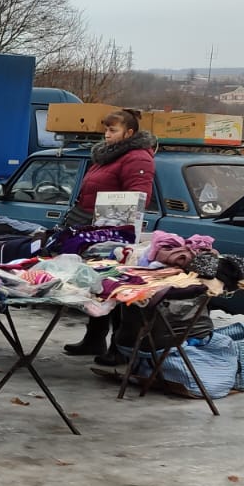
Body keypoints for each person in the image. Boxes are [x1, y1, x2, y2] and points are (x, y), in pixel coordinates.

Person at [63, 109, 158, 363]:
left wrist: (114, 224)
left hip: (116, 233)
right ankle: (94, 338)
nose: (107, 135)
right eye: (105, 130)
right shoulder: (107, 156)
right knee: (98, 285)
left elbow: (139, 197)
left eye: (112, 130)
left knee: (117, 288)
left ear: (129, 133)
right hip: (92, 227)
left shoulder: (137, 157)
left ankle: (120, 346)